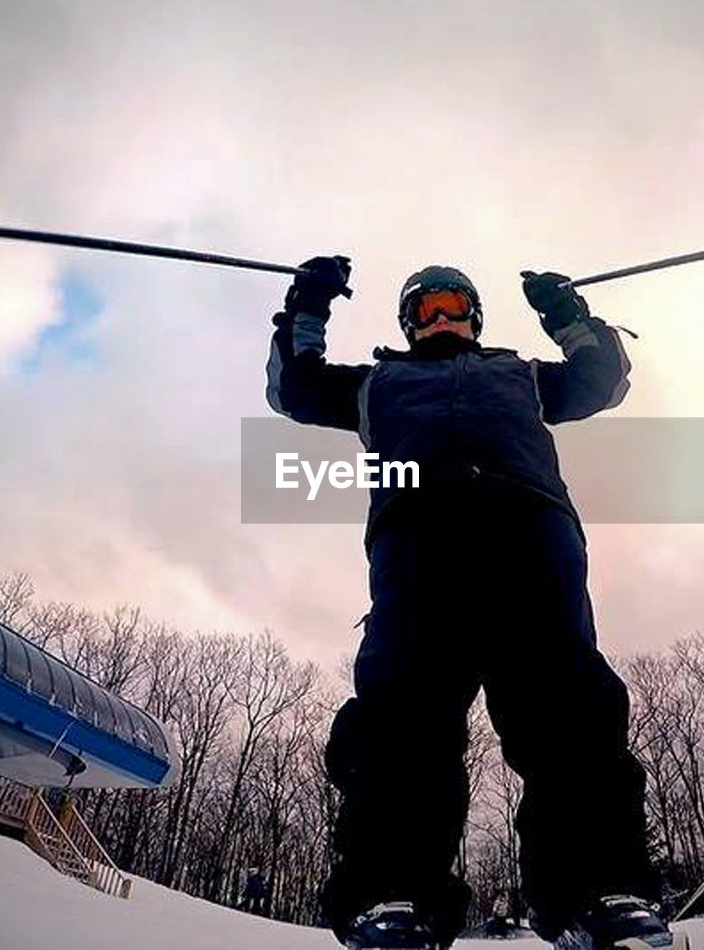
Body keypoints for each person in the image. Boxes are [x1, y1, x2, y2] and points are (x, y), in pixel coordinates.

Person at [266, 257, 659, 949]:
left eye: (451, 304)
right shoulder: (379, 384)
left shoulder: (523, 376)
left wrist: (567, 315)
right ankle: (394, 896)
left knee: (568, 711)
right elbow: (295, 389)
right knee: (402, 721)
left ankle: (596, 892)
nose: (440, 317)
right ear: (408, 324)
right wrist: (308, 305)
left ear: (474, 315)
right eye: (425, 309)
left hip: (529, 539)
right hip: (420, 546)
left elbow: (600, 381)